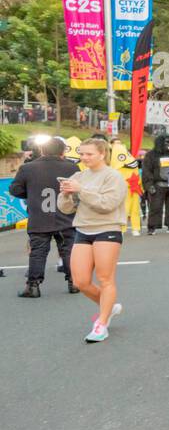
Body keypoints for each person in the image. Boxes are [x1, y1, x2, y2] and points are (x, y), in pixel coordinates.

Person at [58, 138, 128, 342]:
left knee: (105, 278)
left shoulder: (113, 177)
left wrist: (81, 190)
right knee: (80, 281)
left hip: (107, 229)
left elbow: (108, 204)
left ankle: (102, 323)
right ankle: (109, 306)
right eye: (81, 153)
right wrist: (65, 194)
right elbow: (65, 208)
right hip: (83, 229)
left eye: (89, 154)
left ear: (102, 154)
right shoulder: (78, 175)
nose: (84, 157)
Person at [10, 136, 79, 297]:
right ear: (63, 151)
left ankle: (33, 286)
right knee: (68, 249)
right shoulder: (72, 168)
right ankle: (74, 282)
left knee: (38, 252)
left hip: (39, 217)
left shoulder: (28, 168)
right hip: (66, 216)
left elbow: (15, 190)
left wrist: (32, 193)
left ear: (41, 150)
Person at [141, 133, 169, 235]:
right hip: (157, 184)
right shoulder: (151, 155)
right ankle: (152, 227)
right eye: (167, 142)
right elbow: (146, 171)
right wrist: (149, 185)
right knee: (155, 207)